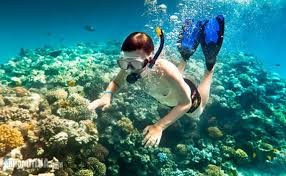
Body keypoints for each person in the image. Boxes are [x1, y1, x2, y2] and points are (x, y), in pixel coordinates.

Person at [88, 15, 225, 147]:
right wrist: (107, 96)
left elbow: (185, 104)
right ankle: (185, 54)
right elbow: (116, 82)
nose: (128, 69)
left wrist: (159, 126)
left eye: (135, 64)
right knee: (174, 79)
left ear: (150, 59)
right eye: (124, 62)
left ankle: (210, 65)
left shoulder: (166, 69)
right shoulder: (130, 64)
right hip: (171, 89)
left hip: (188, 98)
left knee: (197, 113)